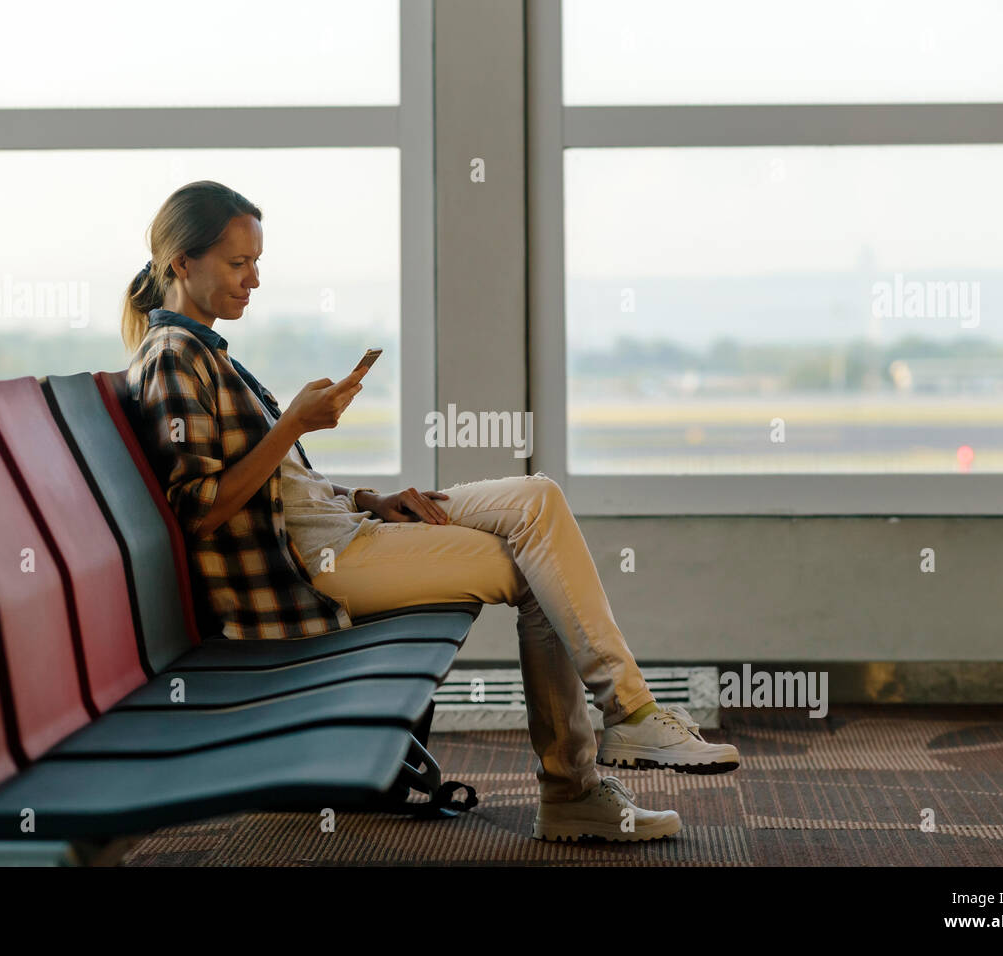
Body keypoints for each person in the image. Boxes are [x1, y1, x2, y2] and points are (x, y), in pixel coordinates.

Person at [122, 181, 740, 843]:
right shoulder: (172, 361)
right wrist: (292, 425)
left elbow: (287, 489)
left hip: (344, 529)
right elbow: (198, 510)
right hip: (313, 571)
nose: (255, 280)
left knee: (539, 499)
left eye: (257, 262)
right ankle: (583, 778)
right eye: (238, 263)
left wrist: (368, 499)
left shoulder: (209, 355)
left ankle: (620, 728)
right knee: (537, 568)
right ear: (183, 263)